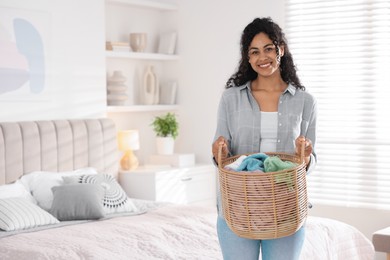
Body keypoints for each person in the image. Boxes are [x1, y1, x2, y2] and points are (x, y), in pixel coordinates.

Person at [211, 17, 317, 260]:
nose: (262, 57)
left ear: (280, 49)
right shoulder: (231, 98)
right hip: (237, 206)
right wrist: (220, 150)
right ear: (247, 58)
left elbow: (309, 163)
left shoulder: (306, 102)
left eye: (268, 48)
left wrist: (307, 155)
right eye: (254, 51)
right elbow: (220, 156)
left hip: (285, 206)